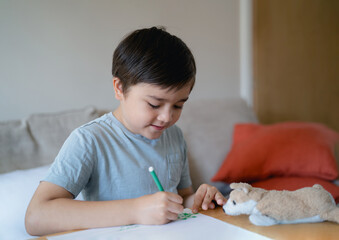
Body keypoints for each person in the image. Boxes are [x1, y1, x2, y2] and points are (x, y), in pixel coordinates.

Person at [25, 26, 226, 236]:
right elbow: (36, 217)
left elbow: (182, 196)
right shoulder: (89, 140)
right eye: (154, 104)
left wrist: (199, 200)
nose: (167, 117)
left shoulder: (174, 136)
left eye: (178, 105)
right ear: (119, 88)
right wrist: (137, 210)